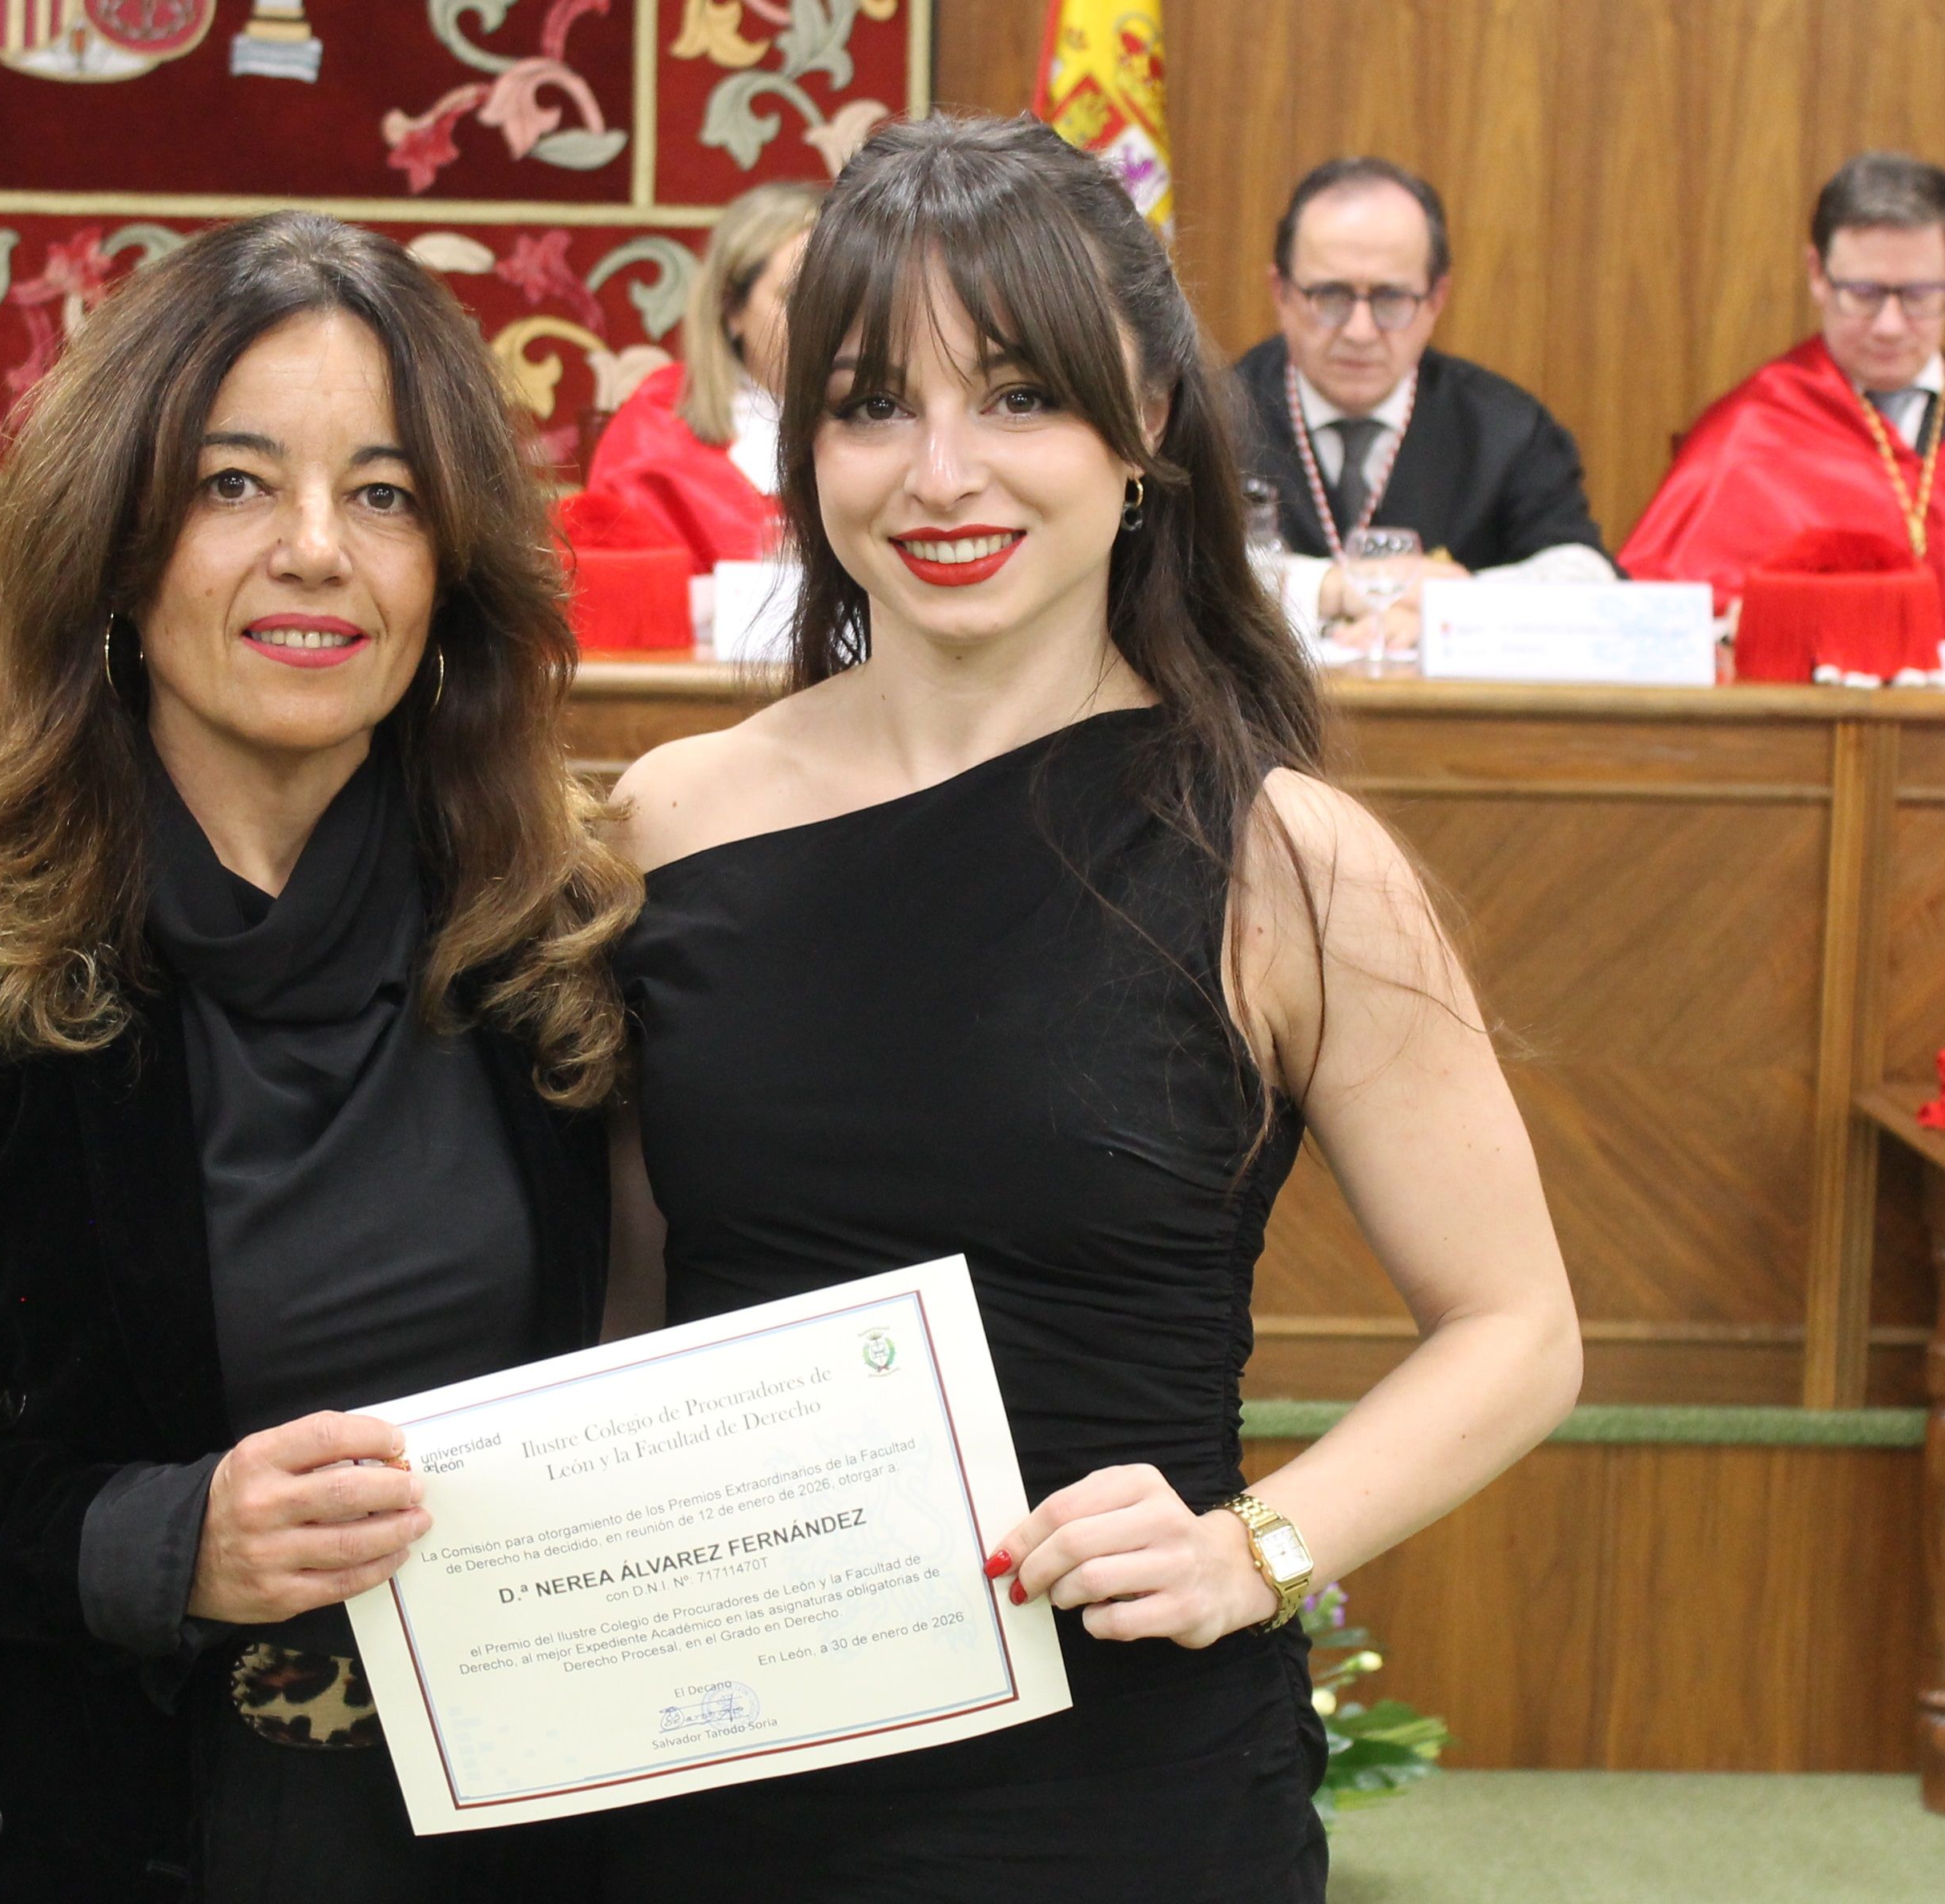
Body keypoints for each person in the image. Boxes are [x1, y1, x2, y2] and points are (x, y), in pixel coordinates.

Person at [602, 116, 1581, 1901]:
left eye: (1020, 398)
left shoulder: (1286, 856)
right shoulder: (672, 817)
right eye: (873, 402)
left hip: (1122, 1782)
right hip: (728, 1751)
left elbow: (1518, 1327)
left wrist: (1251, 1549)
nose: (940, 473)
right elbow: (631, 1299)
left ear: (1143, 431)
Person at [0, 211, 638, 1904]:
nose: (313, 552)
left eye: (384, 494)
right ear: (118, 544)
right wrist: (167, 1542)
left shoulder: (549, 933)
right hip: (31, 1808)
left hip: (453, 1821)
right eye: (232, 485)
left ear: (452, 568)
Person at [1233, 156, 1613, 653]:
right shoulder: (1206, 416)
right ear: (1280, 293)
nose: (1360, 332)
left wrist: (1451, 609)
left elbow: (1588, 579)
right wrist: (1331, 589)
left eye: (1391, 298)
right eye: (1330, 296)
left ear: (1436, 299)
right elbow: (1157, 570)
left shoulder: (1504, 427)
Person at [1624, 151, 1945, 613]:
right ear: (1817, 274)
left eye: (1919, 295)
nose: (1889, 326)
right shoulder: (1752, 429)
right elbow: (1660, 616)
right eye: (1864, 294)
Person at [580, 183, 824, 597]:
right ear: (732, 310)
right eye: (796, 298)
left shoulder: (894, 423)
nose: (822, 321)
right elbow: (624, 601)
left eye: (836, 298)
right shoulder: (654, 437)